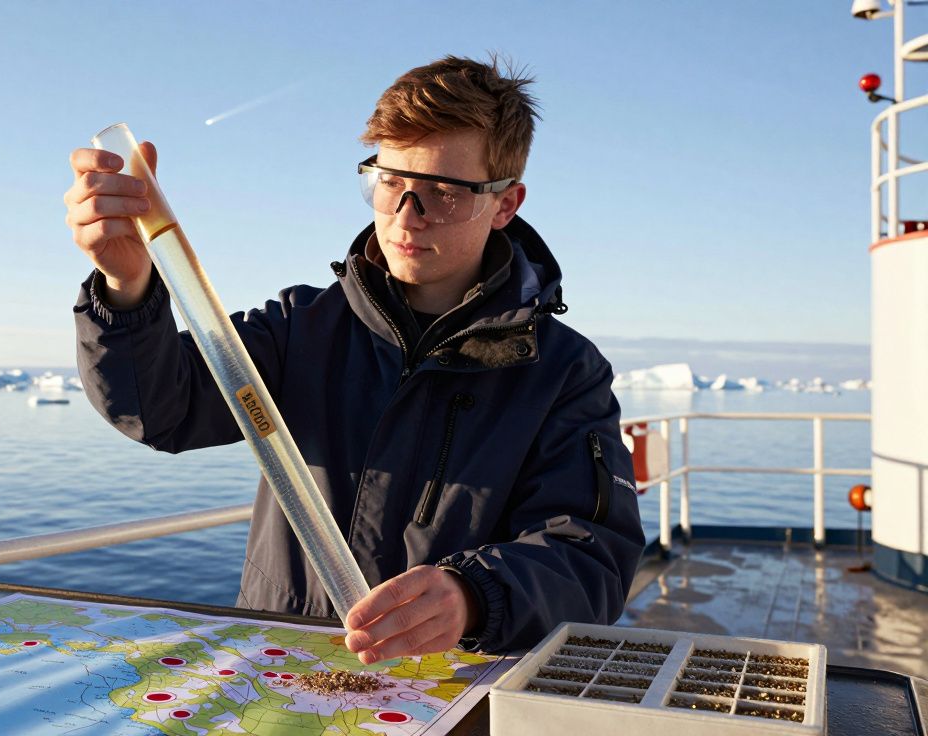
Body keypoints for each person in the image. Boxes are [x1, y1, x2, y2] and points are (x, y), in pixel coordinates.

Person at [64, 56, 644, 662]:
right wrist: (125, 287)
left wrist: (475, 594)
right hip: (284, 672)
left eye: (443, 192)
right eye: (390, 181)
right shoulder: (299, 328)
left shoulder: (561, 373)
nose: (405, 214)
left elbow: (592, 556)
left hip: (451, 691)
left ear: (505, 203)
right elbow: (159, 409)